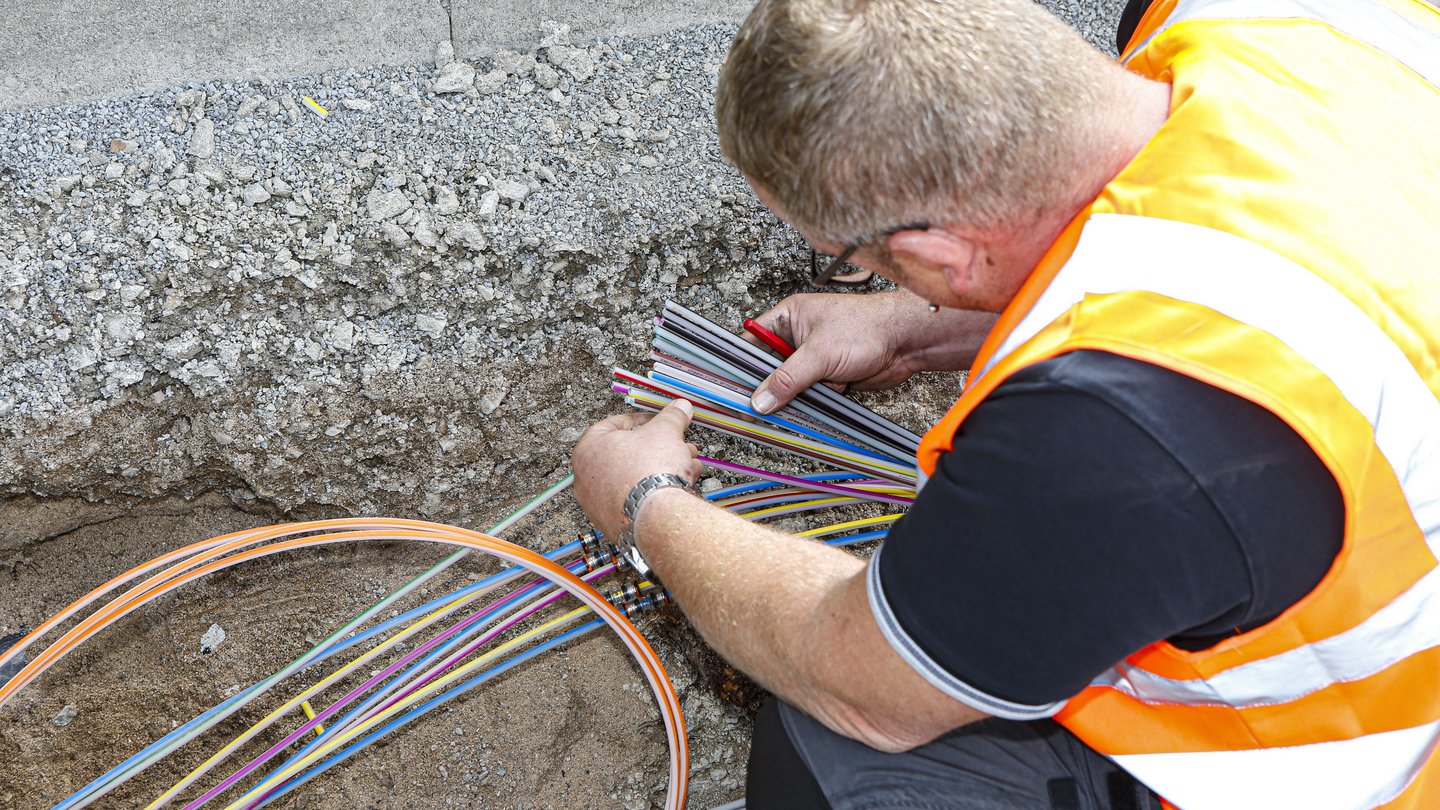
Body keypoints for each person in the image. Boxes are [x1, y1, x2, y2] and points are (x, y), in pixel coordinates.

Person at [571, 0, 1440, 807]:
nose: (867, 271)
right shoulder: (1275, 17)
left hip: (1383, 750)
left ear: (943, 249)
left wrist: (646, 504)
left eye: (858, 255)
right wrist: (912, 325)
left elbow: (868, 684)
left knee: (831, 764)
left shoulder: (1124, 429)